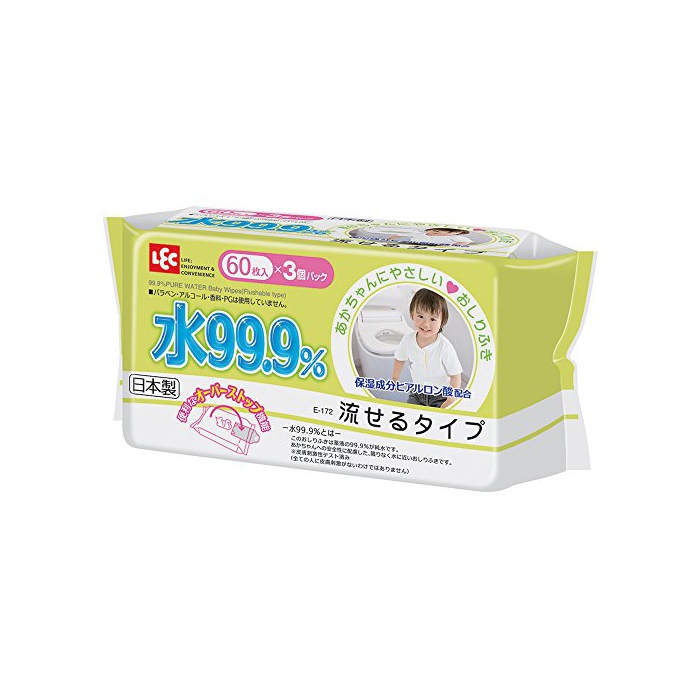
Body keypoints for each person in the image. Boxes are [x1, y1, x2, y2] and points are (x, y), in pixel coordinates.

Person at [392, 288, 463, 408]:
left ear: (442, 321)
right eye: (420, 316)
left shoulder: (444, 347)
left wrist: (450, 400)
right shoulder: (407, 340)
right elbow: (399, 358)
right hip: (417, 392)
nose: (426, 324)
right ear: (412, 314)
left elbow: (455, 375)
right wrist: (395, 378)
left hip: (440, 395)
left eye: (432, 319)